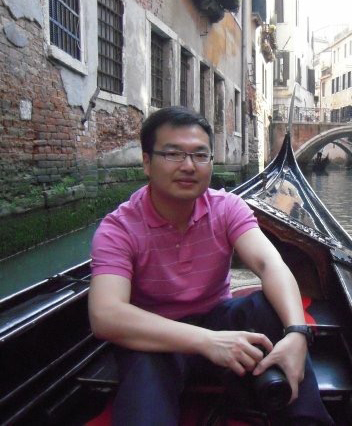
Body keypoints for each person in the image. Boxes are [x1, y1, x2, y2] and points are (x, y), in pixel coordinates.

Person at [88, 106, 333, 425]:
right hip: (157, 336)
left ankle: (305, 419)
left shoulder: (227, 208)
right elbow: (106, 315)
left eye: (200, 155)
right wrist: (207, 342)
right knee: (144, 384)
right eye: (173, 154)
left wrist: (298, 333)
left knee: (265, 306)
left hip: (218, 319)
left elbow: (269, 264)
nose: (189, 166)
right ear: (147, 162)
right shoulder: (118, 228)